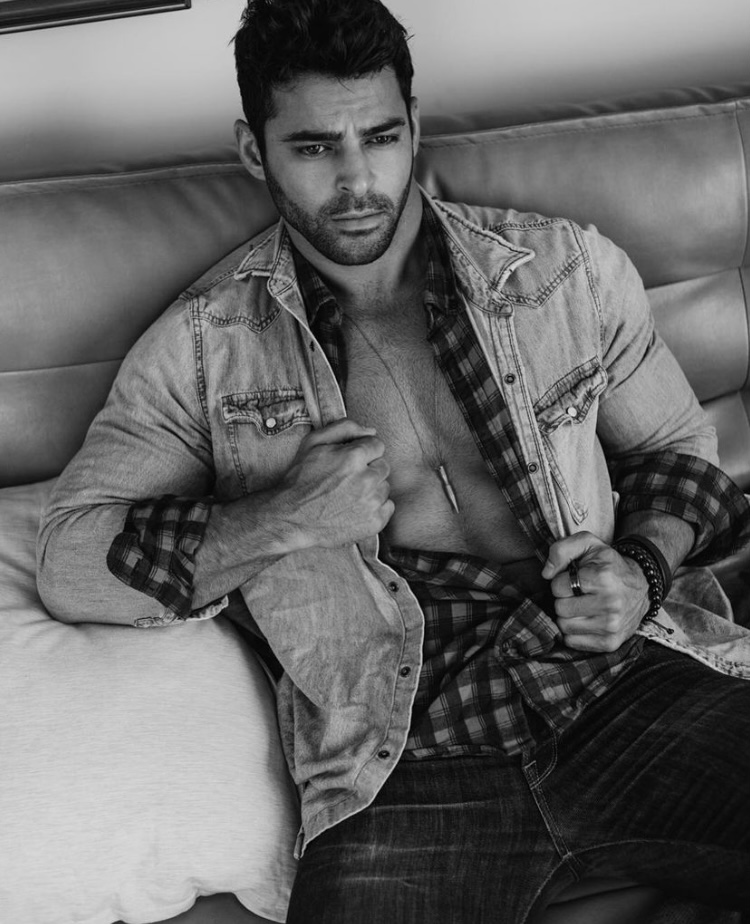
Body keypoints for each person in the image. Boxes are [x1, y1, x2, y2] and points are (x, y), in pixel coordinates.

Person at [37, 0, 750, 920]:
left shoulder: (564, 273)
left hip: (615, 686)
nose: (357, 180)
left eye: (379, 137)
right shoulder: (204, 350)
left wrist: (640, 568)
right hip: (404, 758)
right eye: (313, 147)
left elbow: (677, 451)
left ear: (413, 124)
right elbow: (71, 564)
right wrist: (285, 517)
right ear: (254, 151)